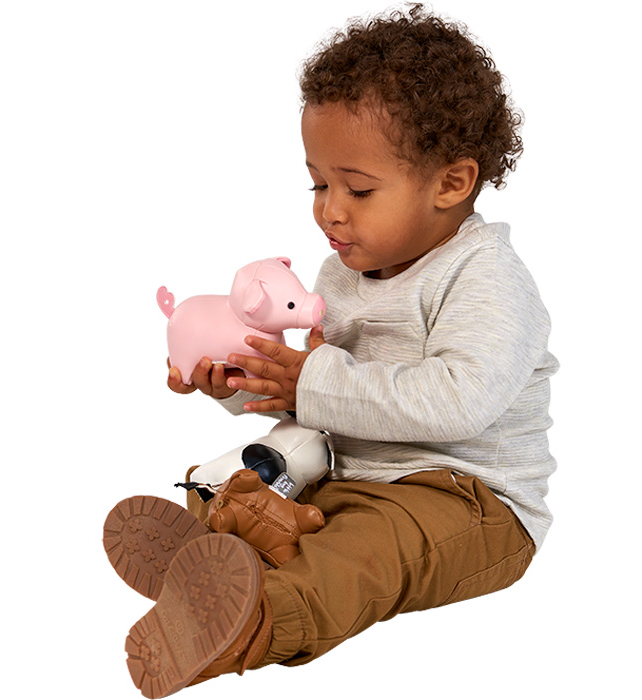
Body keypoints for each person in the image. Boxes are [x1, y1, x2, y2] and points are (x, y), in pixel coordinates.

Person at [104, 5, 558, 698]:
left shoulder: (487, 279)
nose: (329, 210)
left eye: (358, 189)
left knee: (360, 557)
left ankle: (253, 620)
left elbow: (459, 402)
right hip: (345, 473)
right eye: (318, 183)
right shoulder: (337, 274)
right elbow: (316, 398)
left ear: (450, 183)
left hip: (464, 501)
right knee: (241, 480)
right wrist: (239, 382)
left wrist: (310, 383)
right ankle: (218, 549)